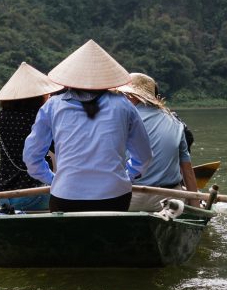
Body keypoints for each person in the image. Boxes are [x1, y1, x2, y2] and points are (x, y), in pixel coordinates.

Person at [22, 39, 152, 212]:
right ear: (105, 77)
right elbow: (144, 156)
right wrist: (127, 175)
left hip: (66, 196)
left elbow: (31, 157)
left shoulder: (52, 105)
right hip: (115, 195)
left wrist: (55, 180)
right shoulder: (123, 104)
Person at [117, 73, 198, 210]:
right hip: (171, 199)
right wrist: (196, 206)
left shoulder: (121, 119)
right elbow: (187, 171)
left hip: (130, 198)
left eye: (123, 95)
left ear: (132, 96)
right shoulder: (176, 122)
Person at [0, 62, 63, 212]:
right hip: (31, 193)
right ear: (38, 95)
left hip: (2, 193)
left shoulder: (1, 116)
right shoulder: (39, 116)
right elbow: (59, 149)